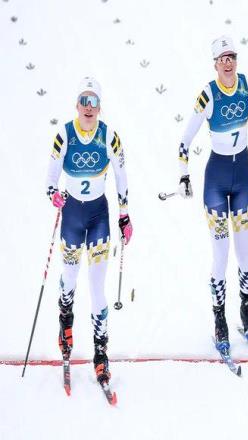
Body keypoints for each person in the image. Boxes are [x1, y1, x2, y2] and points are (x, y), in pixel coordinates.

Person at [177, 36, 248, 352]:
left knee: (245, 254)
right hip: (216, 182)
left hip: (243, 181)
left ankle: (246, 310)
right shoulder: (208, 94)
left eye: (231, 57)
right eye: (222, 59)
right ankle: (219, 318)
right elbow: (184, 140)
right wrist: (183, 174)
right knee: (221, 256)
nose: (228, 63)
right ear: (215, 64)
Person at [45, 77, 133, 384]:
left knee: (97, 288)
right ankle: (65, 324)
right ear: (76, 104)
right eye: (84, 100)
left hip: (98, 218)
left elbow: (121, 176)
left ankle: (101, 354)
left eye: (93, 101)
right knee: (69, 279)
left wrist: (124, 215)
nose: (88, 107)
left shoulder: (109, 136)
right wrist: (53, 195)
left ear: (100, 106)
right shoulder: (64, 135)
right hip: (72, 217)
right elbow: (50, 179)